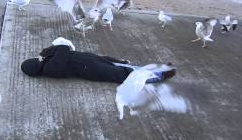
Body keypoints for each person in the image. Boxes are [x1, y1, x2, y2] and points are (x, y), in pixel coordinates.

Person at [21, 43, 176, 84]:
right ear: (36, 67)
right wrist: (47, 52)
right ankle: (161, 76)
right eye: (38, 60)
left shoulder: (48, 61)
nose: (40, 58)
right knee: (123, 75)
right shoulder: (51, 69)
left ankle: (158, 69)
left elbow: (61, 50)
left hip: (90, 60)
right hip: (91, 69)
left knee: (122, 65)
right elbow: (63, 48)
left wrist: (47, 52)